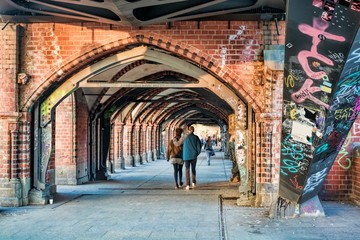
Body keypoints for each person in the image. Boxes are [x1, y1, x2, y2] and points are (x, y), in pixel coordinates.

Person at [182, 125, 202, 190]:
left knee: (187, 170)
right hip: (193, 156)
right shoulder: (196, 137)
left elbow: (180, 145)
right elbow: (199, 146)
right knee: (193, 169)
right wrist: (197, 153)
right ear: (193, 130)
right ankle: (193, 182)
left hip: (186, 156)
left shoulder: (185, 137)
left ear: (188, 130)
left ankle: (187, 184)